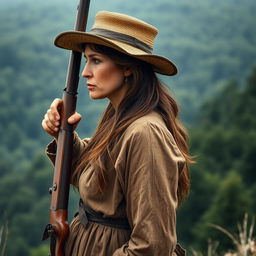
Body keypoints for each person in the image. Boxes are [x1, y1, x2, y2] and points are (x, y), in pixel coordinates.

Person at [42, 10, 192, 256]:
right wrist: (63, 135)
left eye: (96, 60)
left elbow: (151, 246)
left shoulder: (146, 132)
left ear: (127, 68)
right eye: (86, 60)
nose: (85, 72)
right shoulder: (118, 117)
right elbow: (97, 181)